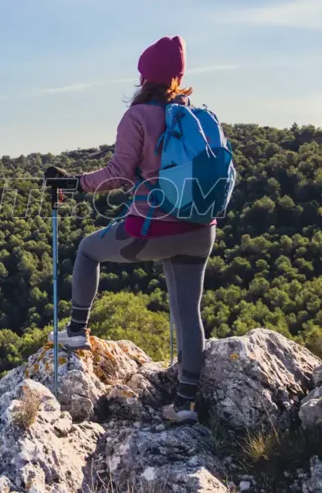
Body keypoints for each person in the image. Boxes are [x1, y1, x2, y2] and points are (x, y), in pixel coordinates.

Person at [44, 35, 216, 425]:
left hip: (152, 229)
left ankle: (77, 330)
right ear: (177, 77)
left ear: (144, 77)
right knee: (188, 314)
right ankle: (186, 404)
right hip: (200, 228)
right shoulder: (194, 117)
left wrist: (74, 184)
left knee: (88, 250)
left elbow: (119, 174)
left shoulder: (138, 117)